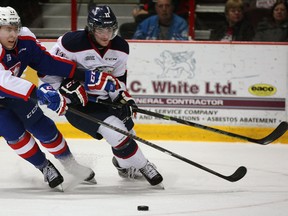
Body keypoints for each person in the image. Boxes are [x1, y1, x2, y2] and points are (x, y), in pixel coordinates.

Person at [43, 5, 163, 186]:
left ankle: (124, 167)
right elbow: (47, 71)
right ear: (91, 28)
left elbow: (119, 80)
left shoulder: (121, 47)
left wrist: (122, 96)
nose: (106, 35)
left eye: (110, 29)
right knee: (115, 130)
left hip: (104, 100)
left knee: (128, 131)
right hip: (79, 105)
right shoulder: (70, 43)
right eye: (101, 29)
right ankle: (145, 166)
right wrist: (62, 87)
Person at [0, 6, 96, 189]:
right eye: (7, 29)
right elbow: (2, 82)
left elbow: (46, 62)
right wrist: (39, 93)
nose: (13, 34)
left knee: (42, 127)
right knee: (14, 133)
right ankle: (44, 167)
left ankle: (70, 164)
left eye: (15, 28)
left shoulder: (25, 38)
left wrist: (81, 74)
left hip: (14, 94)